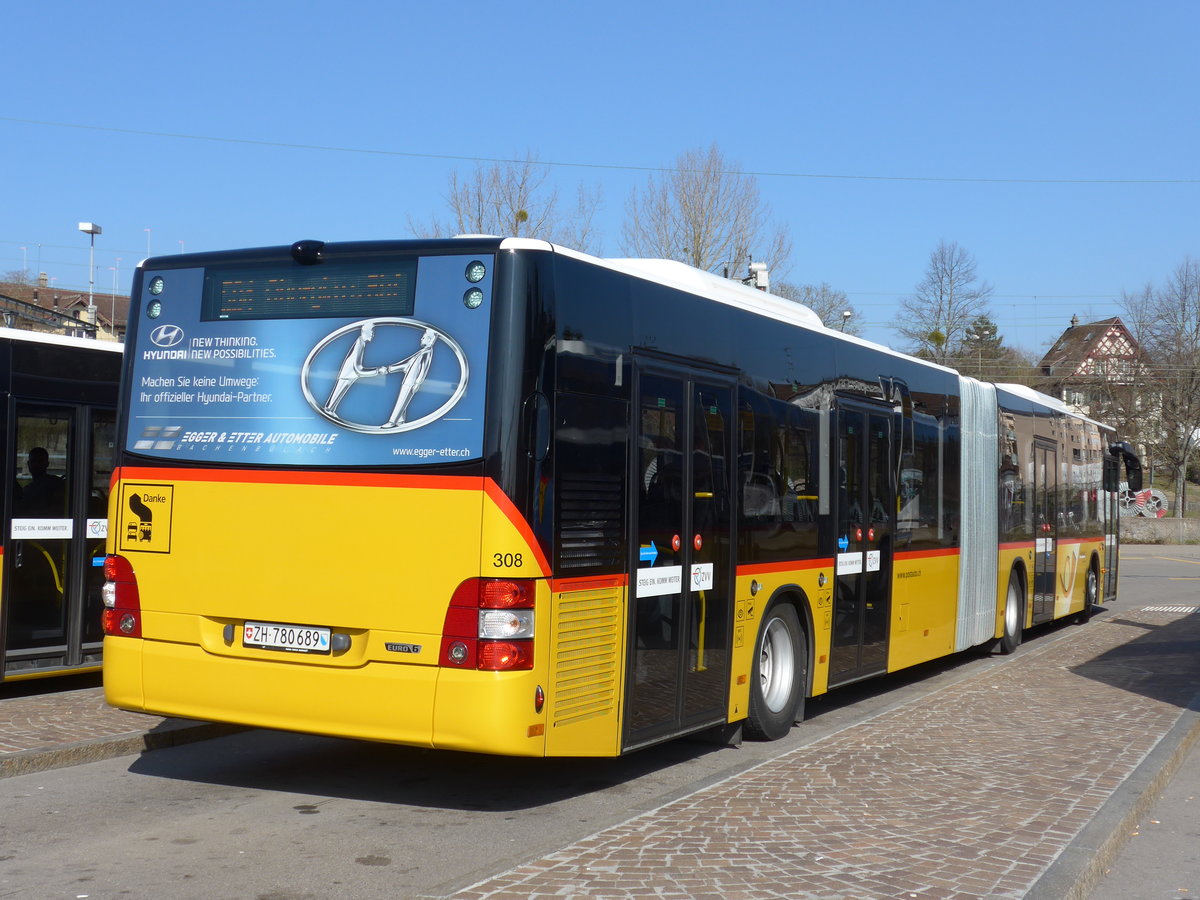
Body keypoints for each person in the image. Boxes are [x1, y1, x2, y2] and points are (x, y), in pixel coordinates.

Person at [20, 447, 64, 516]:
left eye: (40, 461)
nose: (37, 464)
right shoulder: (26, 491)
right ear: (28, 464)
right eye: (34, 461)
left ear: (47, 464)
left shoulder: (57, 485)